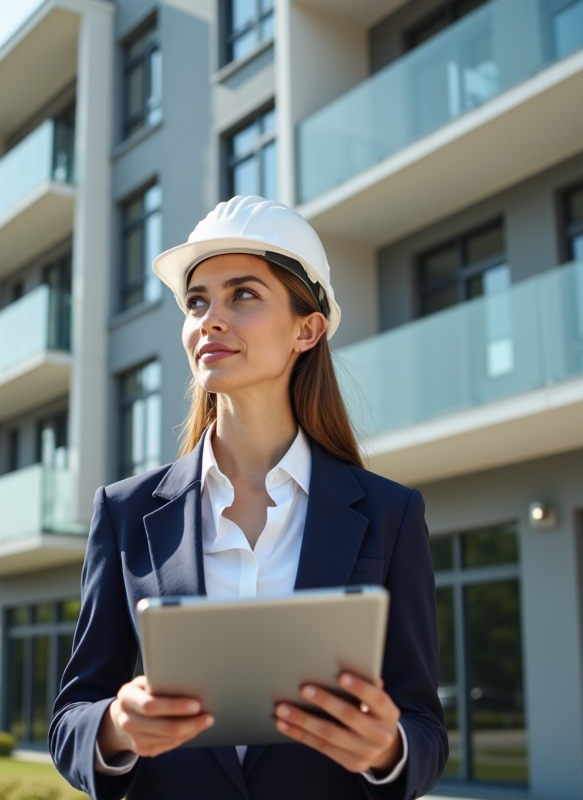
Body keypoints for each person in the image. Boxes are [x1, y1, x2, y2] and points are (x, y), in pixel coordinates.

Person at [50, 196, 447, 799]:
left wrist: (389, 749)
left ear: (307, 329)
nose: (210, 319)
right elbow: (70, 721)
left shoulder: (390, 516)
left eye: (244, 295)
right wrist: (115, 726)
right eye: (197, 301)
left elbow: (424, 730)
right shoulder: (125, 513)